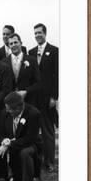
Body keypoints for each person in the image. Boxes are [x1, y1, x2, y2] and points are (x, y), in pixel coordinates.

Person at [0, 92, 42, 181]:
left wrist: (9, 144)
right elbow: (1, 133)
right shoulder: (4, 113)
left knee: (24, 153)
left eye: (10, 109)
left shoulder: (33, 114)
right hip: (12, 144)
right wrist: (4, 142)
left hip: (31, 145)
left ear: (19, 108)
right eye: (6, 109)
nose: (7, 111)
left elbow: (30, 138)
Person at [28, 23, 59, 172]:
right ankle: (36, 160)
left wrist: (54, 96)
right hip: (34, 98)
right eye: (35, 33)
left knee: (48, 131)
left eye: (40, 33)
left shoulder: (54, 51)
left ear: (45, 33)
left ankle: (50, 161)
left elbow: (57, 75)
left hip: (47, 98)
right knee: (34, 130)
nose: (37, 35)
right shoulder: (31, 52)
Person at [4, 33, 41, 106]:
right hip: (10, 103)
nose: (13, 45)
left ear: (21, 43)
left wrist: (26, 91)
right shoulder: (4, 62)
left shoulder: (32, 60)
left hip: (28, 101)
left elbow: (38, 83)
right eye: (11, 44)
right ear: (8, 46)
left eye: (15, 42)